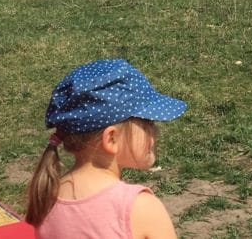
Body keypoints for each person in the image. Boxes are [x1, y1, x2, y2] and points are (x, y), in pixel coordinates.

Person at [25, 58, 186, 239]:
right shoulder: (140, 208)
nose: (155, 131)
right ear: (111, 138)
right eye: (147, 122)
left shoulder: (47, 197)